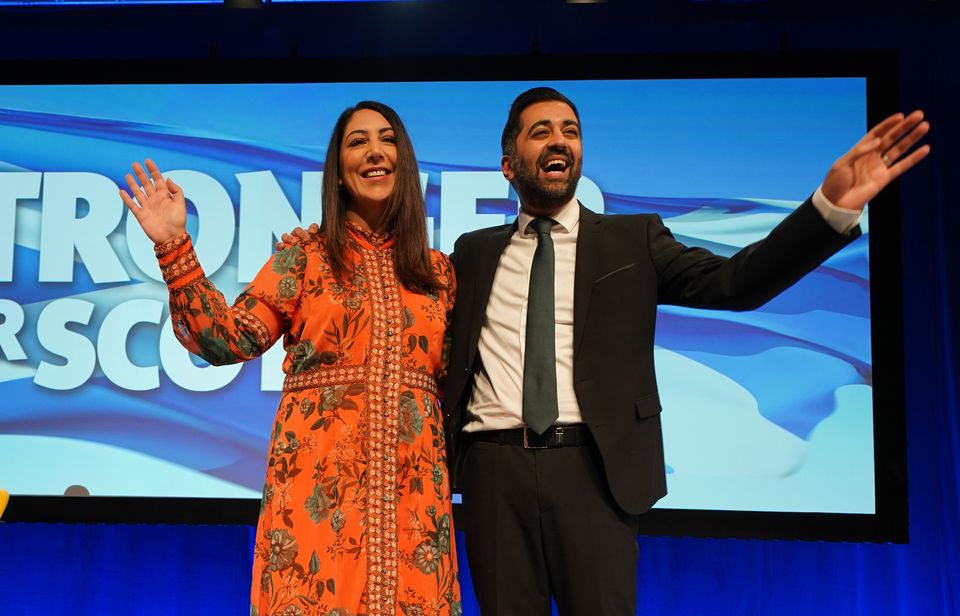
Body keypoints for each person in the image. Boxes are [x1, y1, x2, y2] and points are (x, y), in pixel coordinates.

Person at [438, 87, 930, 615]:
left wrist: (829, 209)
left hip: (592, 472)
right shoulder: (474, 252)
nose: (560, 140)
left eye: (570, 131)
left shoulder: (633, 239)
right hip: (493, 472)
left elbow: (733, 283)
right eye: (542, 132)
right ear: (509, 165)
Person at [120, 101, 460, 616]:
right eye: (357, 141)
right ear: (338, 173)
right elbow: (227, 339)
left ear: (404, 161)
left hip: (413, 510)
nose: (374, 151)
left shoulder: (438, 273)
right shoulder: (305, 256)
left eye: (387, 139)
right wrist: (174, 246)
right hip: (318, 503)